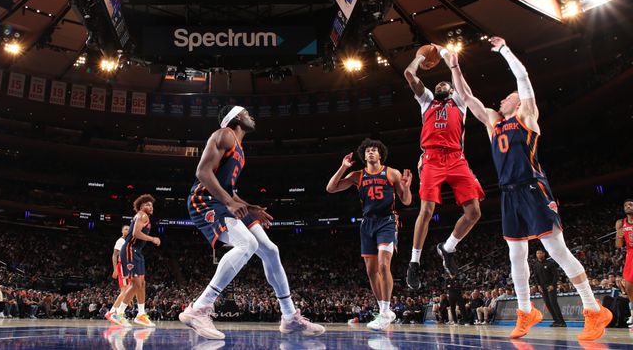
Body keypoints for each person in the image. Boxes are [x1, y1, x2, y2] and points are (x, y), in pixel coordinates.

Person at [448, 36, 612, 340]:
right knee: (515, 254)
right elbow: (467, 97)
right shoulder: (493, 123)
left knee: (557, 250)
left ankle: (593, 309)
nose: (501, 100)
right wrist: (455, 66)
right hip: (509, 193)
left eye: (508, 97)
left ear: (519, 102)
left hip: (533, 188)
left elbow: (522, 77)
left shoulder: (526, 116)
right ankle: (526, 312)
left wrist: (505, 50)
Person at [180, 105, 325, 340]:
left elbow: (229, 190)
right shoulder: (224, 134)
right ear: (236, 117)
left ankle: (289, 317)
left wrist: (250, 207)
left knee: (270, 250)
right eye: (247, 113)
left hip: (223, 200)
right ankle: (199, 308)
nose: (252, 116)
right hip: (204, 200)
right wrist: (229, 202)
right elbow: (202, 173)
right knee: (248, 244)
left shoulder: (239, 148)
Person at [403, 48, 484, 290]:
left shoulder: (460, 102)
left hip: (457, 159)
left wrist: (445, 53)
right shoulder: (426, 100)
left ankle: (447, 248)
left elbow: (459, 81)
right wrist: (422, 56)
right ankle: (414, 263)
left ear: (450, 89)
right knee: (426, 210)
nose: (439, 86)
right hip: (432, 158)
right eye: (436, 84)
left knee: (474, 213)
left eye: (443, 84)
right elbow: (409, 74)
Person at [326, 138, 412, 330]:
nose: (370, 152)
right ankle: (383, 310)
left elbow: (406, 201)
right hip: (367, 223)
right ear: (363, 156)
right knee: (371, 271)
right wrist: (342, 167)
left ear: (380, 154)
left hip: (387, 221)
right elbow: (331, 188)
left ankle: (384, 311)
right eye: (367, 151)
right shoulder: (358, 175)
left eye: (374, 150)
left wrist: (406, 188)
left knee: (383, 264)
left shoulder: (392, 172)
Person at [109, 195, 159, 328]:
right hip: (130, 250)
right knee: (136, 283)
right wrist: (152, 239)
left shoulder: (142, 216)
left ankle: (141, 315)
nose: (151, 207)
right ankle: (118, 314)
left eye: (152, 205)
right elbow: (136, 233)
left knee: (141, 284)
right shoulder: (142, 215)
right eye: (148, 205)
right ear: (141, 207)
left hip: (137, 251)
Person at [532, 247, 566, 327]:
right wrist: (538, 285)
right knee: (548, 304)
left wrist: (552, 285)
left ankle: (562, 322)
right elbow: (535, 277)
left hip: (550, 286)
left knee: (553, 303)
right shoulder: (536, 265)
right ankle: (556, 321)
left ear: (544, 254)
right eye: (537, 253)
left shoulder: (550, 263)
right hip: (542, 288)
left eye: (540, 253)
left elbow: (555, 275)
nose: (539, 255)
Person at [105, 224, 131, 324]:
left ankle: (119, 314)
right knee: (124, 291)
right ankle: (111, 312)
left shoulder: (129, 241)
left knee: (128, 291)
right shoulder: (120, 241)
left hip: (128, 267)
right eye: (125, 229)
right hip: (122, 266)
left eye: (129, 229)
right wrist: (115, 269)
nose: (127, 230)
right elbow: (114, 255)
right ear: (122, 231)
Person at [616, 198, 633, 327]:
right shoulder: (621, 223)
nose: (628, 206)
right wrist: (619, 235)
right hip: (630, 254)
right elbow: (618, 245)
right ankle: (632, 314)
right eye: (626, 205)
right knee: (628, 287)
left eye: (631, 204)